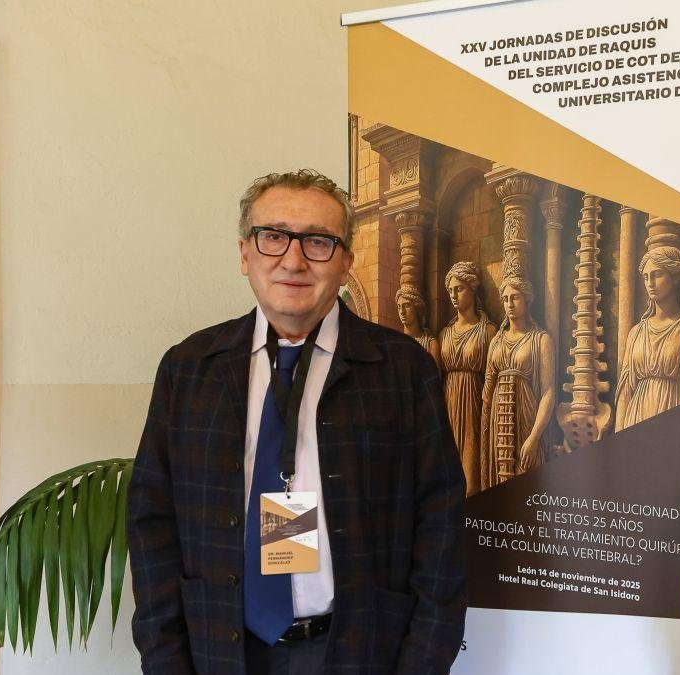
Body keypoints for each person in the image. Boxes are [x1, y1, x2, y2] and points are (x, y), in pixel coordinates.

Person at [128, 169, 466, 675]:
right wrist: (165, 659)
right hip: (219, 649)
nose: (293, 259)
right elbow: (151, 521)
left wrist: (422, 662)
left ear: (346, 260)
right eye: (273, 237)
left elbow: (441, 524)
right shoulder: (189, 369)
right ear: (245, 253)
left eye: (318, 242)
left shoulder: (402, 370)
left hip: (360, 651)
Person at [615, 245, 680, 432]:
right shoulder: (636, 332)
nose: (650, 283)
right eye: (646, 277)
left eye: (657, 274)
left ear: (675, 277)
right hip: (636, 418)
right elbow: (625, 393)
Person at [480, 277, 558, 487]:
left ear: (528, 300)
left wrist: (534, 437)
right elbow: (487, 389)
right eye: (505, 299)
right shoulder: (496, 340)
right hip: (499, 421)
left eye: (515, 297)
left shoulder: (541, 340)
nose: (509, 304)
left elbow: (548, 393)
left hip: (527, 416)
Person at [438, 262, 496, 495]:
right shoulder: (444, 333)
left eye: (459, 289)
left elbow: (492, 375)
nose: (453, 295)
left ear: (472, 289)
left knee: (471, 467)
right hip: (449, 397)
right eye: (450, 290)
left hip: (473, 399)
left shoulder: (487, 331)